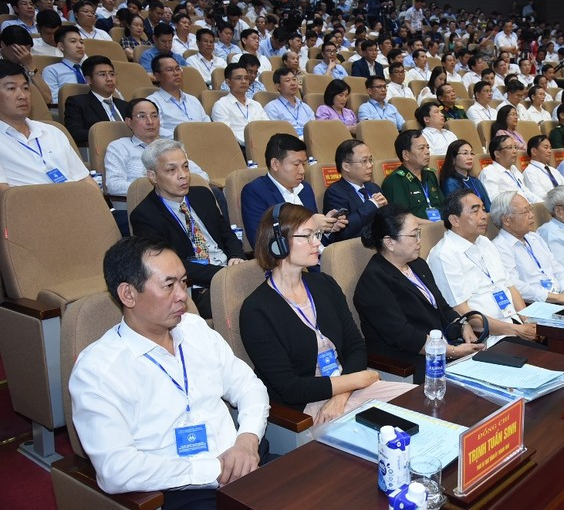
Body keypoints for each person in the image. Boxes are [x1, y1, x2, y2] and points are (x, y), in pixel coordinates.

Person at [69, 236, 269, 505]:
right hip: (181, 492)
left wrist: (247, 439)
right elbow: (116, 469)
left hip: (244, 462)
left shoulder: (194, 329)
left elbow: (249, 386)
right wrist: (215, 468)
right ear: (128, 294)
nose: (182, 296)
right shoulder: (98, 369)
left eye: (184, 282)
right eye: (169, 286)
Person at [239, 203, 412, 422]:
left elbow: (356, 347)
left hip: (348, 390)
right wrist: (358, 379)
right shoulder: (256, 310)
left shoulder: (324, 284)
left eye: (317, 234)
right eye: (308, 236)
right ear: (278, 243)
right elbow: (291, 388)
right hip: (308, 407)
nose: (317, 243)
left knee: (422, 403)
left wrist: (343, 392)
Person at [354, 205, 484, 382]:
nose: (419, 240)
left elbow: (442, 306)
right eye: (413, 235)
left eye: (419, 233)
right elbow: (403, 335)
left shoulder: (417, 265)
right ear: (389, 242)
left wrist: (463, 325)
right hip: (411, 362)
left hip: (444, 347)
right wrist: (450, 351)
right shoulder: (373, 282)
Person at [130, 139, 244, 318]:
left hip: (230, 271)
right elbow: (171, 266)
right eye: (171, 170)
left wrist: (237, 257)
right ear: (152, 176)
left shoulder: (202, 195)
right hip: (196, 287)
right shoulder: (145, 215)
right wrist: (224, 275)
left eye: (185, 167)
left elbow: (226, 233)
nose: (183, 175)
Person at [427, 189, 540, 348]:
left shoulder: (485, 242)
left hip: (514, 323)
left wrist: (527, 320)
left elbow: (509, 286)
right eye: (475, 211)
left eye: (483, 209)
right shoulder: (444, 255)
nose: (483, 216)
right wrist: (517, 330)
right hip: (490, 336)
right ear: (454, 220)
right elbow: (462, 312)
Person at [0, 60, 94, 190]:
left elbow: (85, 180)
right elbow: (6, 197)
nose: (22, 96)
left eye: (26, 88)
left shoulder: (52, 131)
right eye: (11, 88)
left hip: (76, 203)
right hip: (33, 207)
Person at [241, 133, 345, 243]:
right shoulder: (255, 192)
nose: (302, 171)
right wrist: (311, 224)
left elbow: (316, 238)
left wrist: (327, 227)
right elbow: (261, 241)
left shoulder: (305, 188)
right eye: (296, 164)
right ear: (275, 164)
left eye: (304, 164)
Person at [104, 98, 209, 197]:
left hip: (177, 202)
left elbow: (203, 176)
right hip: (138, 204)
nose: (150, 121)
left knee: (214, 194)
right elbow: (113, 185)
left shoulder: (170, 147)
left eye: (154, 116)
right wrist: (161, 187)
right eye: (142, 116)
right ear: (129, 122)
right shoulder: (118, 147)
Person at [491, 191, 564, 304]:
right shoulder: (499, 247)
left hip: (562, 300)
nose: (531, 215)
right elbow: (514, 286)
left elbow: (558, 269)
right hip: (535, 305)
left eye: (530, 209)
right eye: (525, 212)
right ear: (506, 220)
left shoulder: (534, 238)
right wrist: (557, 298)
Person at [323, 139, 388, 241]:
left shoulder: (373, 187)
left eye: (370, 160)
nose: (370, 165)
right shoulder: (335, 192)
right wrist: (372, 205)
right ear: (346, 166)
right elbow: (342, 232)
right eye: (364, 161)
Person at [381, 129, 444, 222]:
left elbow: (444, 205)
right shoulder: (396, 181)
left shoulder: (430, 175)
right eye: (421, 148)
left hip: (440, 228)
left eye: (427, 147)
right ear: (406, 155)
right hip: (416, 233)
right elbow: (401, 218)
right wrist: (432, 225)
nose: (427, 152)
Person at [63, 56, 127, 145]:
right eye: (102, 74)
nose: (109, 79)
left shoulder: (124, 105)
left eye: (112, 74)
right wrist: (109, 134)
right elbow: (75, 133)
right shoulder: (77, 103)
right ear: (88, 79)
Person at [147, 55, 209, 139]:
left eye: (178, 69)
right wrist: (186, 138)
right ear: (157, 76)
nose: (176, 73)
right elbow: (157, 130)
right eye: (170, 70)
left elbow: (207, 123)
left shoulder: (193, 100)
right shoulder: (152, 102)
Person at [210, 63, 269, 146]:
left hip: (263, 145)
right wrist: (250, 143)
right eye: (238, 78)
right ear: (228, 82)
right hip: (239, 149)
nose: (244, 81)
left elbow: (267, 126)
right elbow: (226, 135)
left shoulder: (256, 104)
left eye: (246, 78)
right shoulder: (221, 105)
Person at [523, 134, 564, 200]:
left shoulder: (553, 170)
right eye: (546, 147)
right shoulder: (529, 172)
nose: (549, 151)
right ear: (534, 151)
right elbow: (539, 197)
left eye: (550, 148)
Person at [479, 134, 539, 203]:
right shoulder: (489, 172)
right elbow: (494, 200)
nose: (514, 151)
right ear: (497, 154)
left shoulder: (514, 169)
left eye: (515, 147)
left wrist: (542, 204)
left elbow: (526, 192)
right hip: (510, 211)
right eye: (510, 147)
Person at [438, 139, 491, 211]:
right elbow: (457, 210)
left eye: (471, 153)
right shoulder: (450, 183)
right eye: (465, 153)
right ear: (453, 158)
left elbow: (488, 206)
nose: (470, 157)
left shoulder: (475, 181)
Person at [263, 68, 315, 138]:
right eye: (287, 81)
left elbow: (314, 129)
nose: (293, 83)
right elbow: (276, 135)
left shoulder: (305, 107)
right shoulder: (272, 108)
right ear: (278, 86)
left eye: (294, 79)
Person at [41, 25, 85, 103]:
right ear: (61, 46)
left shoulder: (89, 70)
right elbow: (54, 101)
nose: (80, 46)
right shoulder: (51, 70)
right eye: (73, 41)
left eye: (81, 42)